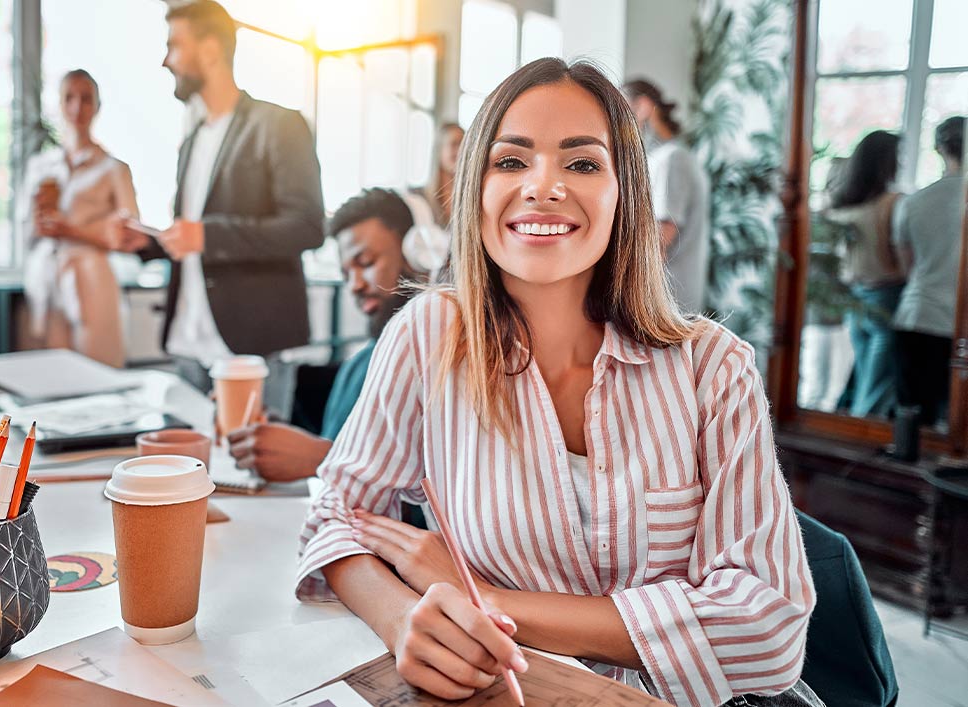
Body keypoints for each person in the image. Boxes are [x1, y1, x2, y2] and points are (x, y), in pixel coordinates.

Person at [296, 59, 818, 707]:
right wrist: (399, 616)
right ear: (474, 191)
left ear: (624, 192)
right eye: (510, 162)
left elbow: (766, 629)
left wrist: (483, 600)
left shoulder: (714, 367)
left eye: (581, 164)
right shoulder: (430, 333)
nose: (541, 186)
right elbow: (336, 513)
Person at [127, 0, 324, 416]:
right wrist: (148, 243)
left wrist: (206, 234)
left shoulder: (279, 125)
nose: (166, 61)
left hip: (252, 347)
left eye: (174, 46)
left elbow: (306, 226)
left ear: (211, 50)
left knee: (254, 479)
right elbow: (192, 241)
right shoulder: (192, 140)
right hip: (185, 344)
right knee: (184, 475)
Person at [227, 188, 421, 482]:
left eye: (366, 263)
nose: (354, 285)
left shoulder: (440, 363)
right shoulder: (359, 364)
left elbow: (439, 494)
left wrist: (323, 458)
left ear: (415, 253)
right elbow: (335, 447)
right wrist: (280, 443)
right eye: (345, 274)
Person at [20, 69, 144, 368]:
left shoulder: (114, 169)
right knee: (51, 374)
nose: (78, 108)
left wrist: (72, 231)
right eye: (69, 98)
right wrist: (40, 223)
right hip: (48, 280)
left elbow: (132, 236)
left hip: (93, 278)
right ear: (59, 105)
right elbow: (24, 231)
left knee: (98, 370)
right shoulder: (40, 167)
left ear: (97, 106)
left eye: (86, 99)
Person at [892, 116, 965, 426]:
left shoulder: (914, 202)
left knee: (913, 422)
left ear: (939, 148)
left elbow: (906, 266)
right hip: (957, 323)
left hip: (917, 314)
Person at [827, 130, 905, 419]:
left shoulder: (844, 204)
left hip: (855, 297)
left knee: (865, 377)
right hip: (885, 296)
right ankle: (861, 443)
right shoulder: (893, 202)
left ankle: (856, 435)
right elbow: (898, 255)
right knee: (875, 386)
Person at [622, 79, 710, 314]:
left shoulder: (672, 159)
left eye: (622, 112)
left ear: (642, 107)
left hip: (667, 303)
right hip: (665, 301)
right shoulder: (665, 158)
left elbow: (660, 238)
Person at [400, 123, 464, 279]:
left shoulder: (469, 199)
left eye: (465, 144)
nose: (461, 150)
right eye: (454, 144)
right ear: (439, 149)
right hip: (421, 283)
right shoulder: (416, 197)